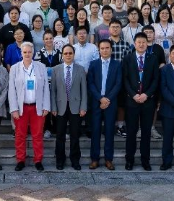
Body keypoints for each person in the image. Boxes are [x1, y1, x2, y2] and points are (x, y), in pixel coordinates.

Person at [8, 41, 51, 171]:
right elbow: (11, 90)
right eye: (25, 52)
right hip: (21, 107)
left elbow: (46, 88)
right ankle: (20, 160)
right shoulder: (15, 68)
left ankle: (38, 160)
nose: (27, 54)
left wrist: (46, 106)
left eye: (29, 52)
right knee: (20, 135)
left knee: (37, 135)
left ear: (33, 53)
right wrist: (14, 109)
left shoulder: (41, 67)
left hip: (37, 107)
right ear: (21, 53)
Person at [123, 32, 159, 171]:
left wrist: (147, 94)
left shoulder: (153, 59)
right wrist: (133, 95)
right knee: (131, 132)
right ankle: (129, 160)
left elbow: (156, 80)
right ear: (134, 43)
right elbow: (125, 79)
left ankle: (145, 160)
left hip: (148, 101)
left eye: (144, 42)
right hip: (132, 101)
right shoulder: (128, 58)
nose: (141, 44)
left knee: (146, 132)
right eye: (139, 42)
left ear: (147, 44)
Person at [50, 44, 87, 170]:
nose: (68, 55)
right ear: (62, 55)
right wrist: (53, 107)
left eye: (70, 53)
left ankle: (75, 160)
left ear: (74, 54)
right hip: (60, 107)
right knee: (60, 135)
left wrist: (83, 107)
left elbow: (84, 90)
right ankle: (60, 160)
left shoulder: (80, 69)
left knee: (75, 135)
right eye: (65, 53)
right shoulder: (56, 69)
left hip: (76, 107)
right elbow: (53, 90)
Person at [87, 39, 122, 170]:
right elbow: (90, 83)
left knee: (109, 131)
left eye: (107, 48)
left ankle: (108, 159)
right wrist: (100, 98)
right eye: (102, 48)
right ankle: (94, 159)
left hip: (111, 102)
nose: (105, 50)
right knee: (95, 130)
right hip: (96, 102)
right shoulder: (93, 64)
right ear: (99, 50)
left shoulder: (117, 64)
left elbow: (118, 83)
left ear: (111, 49)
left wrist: (107, 99)